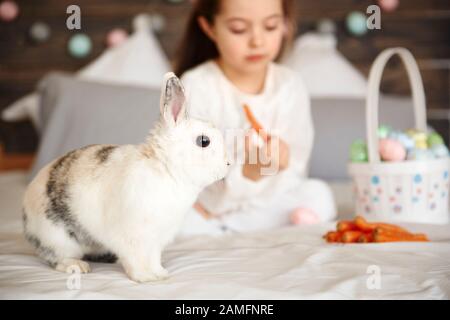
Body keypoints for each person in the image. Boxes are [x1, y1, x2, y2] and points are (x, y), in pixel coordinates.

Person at [174, 0, 336, 236]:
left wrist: (277, 164)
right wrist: (247, 176)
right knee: (180, 218)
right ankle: (229, 229)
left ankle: (232, 231)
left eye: (270, 27)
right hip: (210, 209)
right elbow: (191, 180)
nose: (257, 42)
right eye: (239, 29)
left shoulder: (290, 85)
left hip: (268, 206)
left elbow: (296, 172)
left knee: (319, 193)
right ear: (209, 28)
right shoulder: (196, 86)